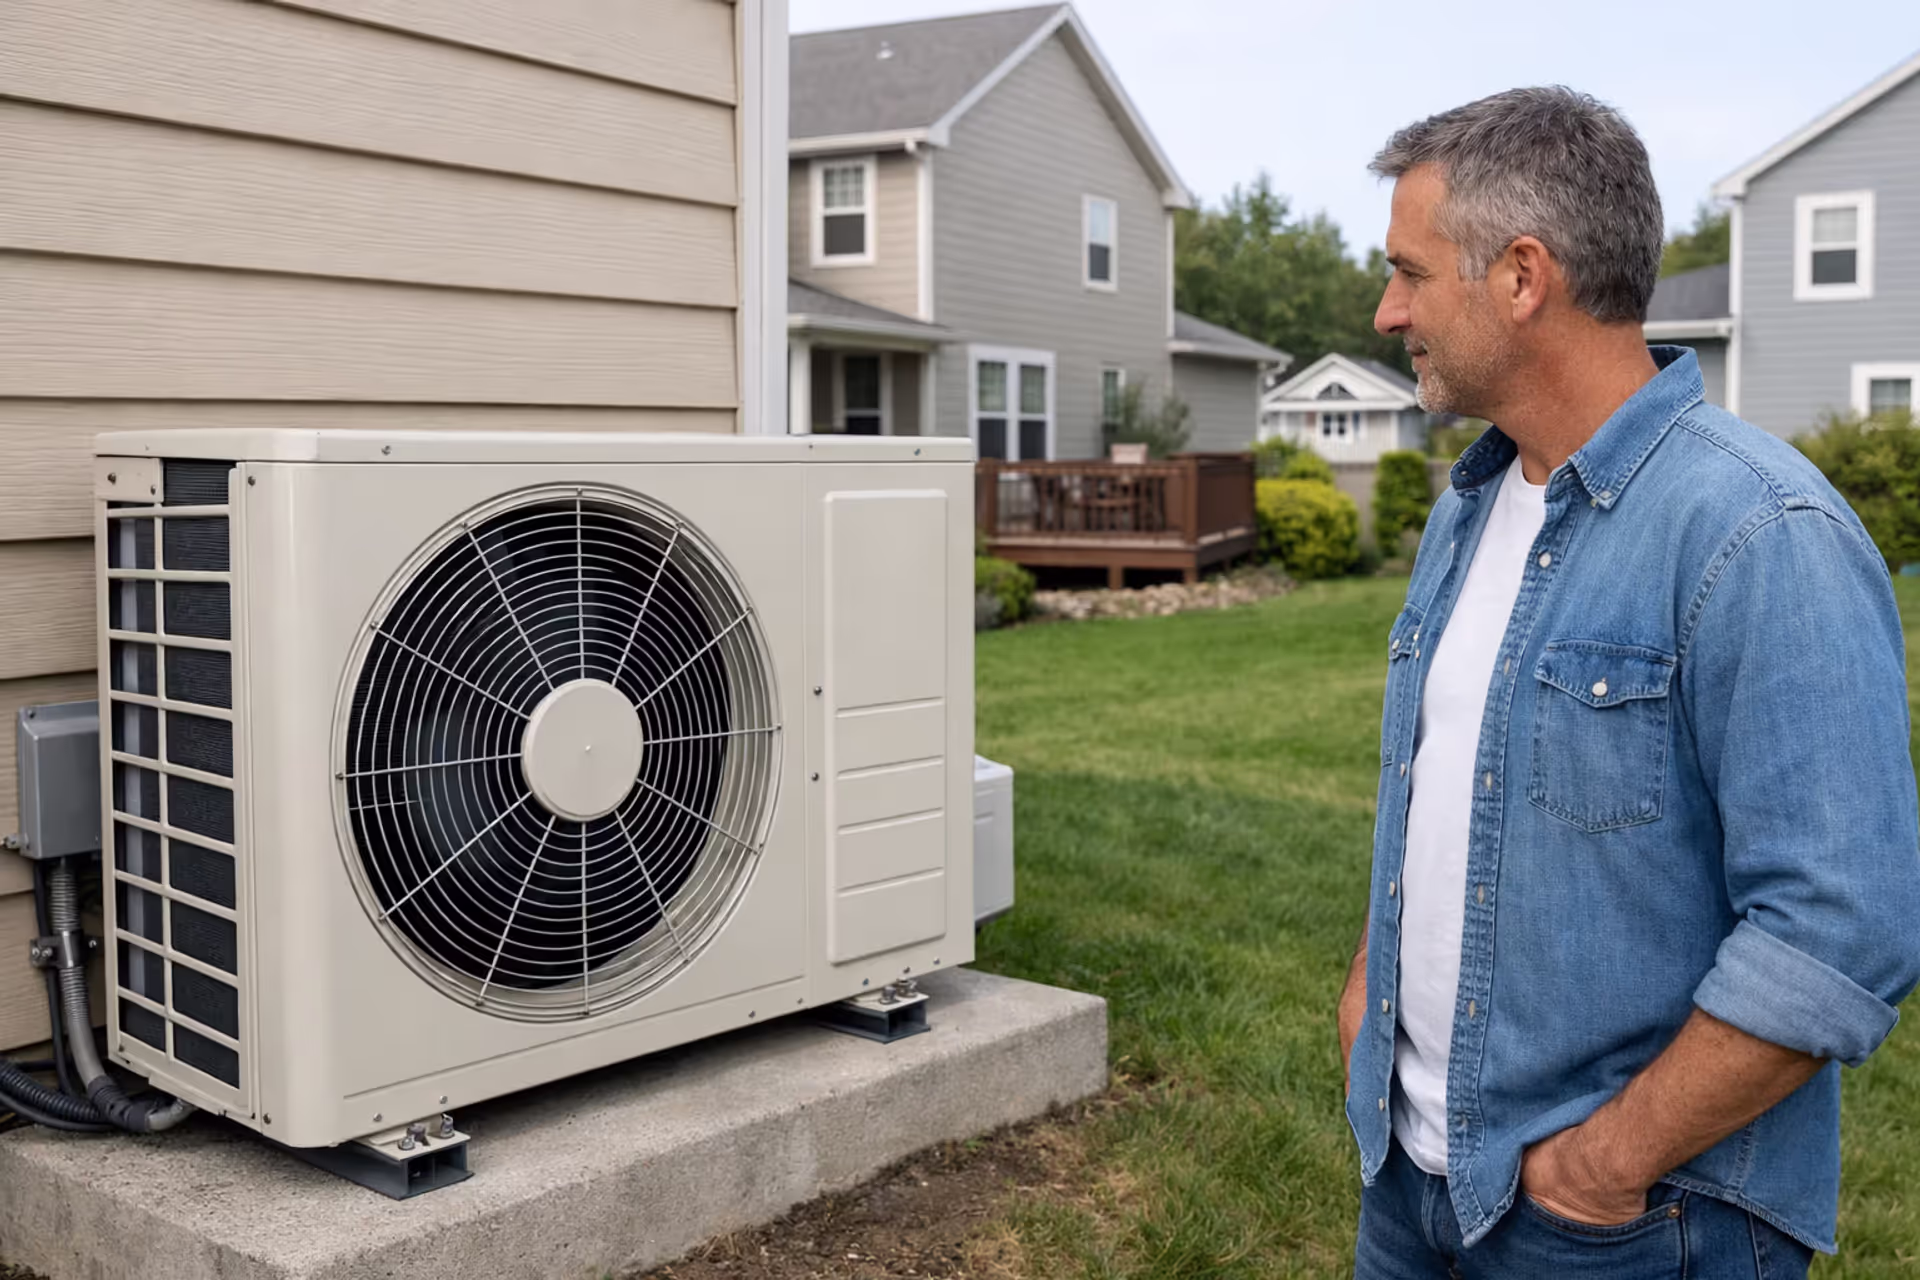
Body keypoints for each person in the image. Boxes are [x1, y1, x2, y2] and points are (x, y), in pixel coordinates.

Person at [1340, 86, 1920, 1278]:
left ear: (1521, 276)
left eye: (1410, 271)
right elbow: (1443, 785)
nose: (1389, 309)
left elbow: (1838, 930)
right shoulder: (1472, 509)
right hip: (1409, 1183)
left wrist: (1603, 1166)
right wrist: (1369, 993)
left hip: (1627, 1224)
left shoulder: (1760, 532)